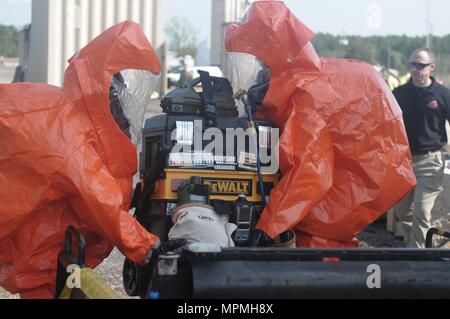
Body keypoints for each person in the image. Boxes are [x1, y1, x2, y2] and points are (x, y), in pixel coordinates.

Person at [0, 22, 184, 299]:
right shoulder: (70, 132)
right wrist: (150, 247)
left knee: (50, 257)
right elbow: (101, 204)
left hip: (28, 232)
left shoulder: (66, 112)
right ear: (102, 89)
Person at [225, 1, 416, 248]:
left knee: (315, 243)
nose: (261, 75)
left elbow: (310, 175)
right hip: (351, 182)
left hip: (343, 197)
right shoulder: (298, 85)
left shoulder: (304, 96)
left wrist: (268, 227)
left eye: (264, 64)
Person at [393, 48, 450, 248]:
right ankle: (414, 244)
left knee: (423, 212)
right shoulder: (399, 94)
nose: (415, 69)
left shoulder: (443, 95)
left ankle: (415, 256)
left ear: (432, 67)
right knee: (403, 211)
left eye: (421, 65)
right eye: (412, 65)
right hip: (403, 161)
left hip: (430, 161)